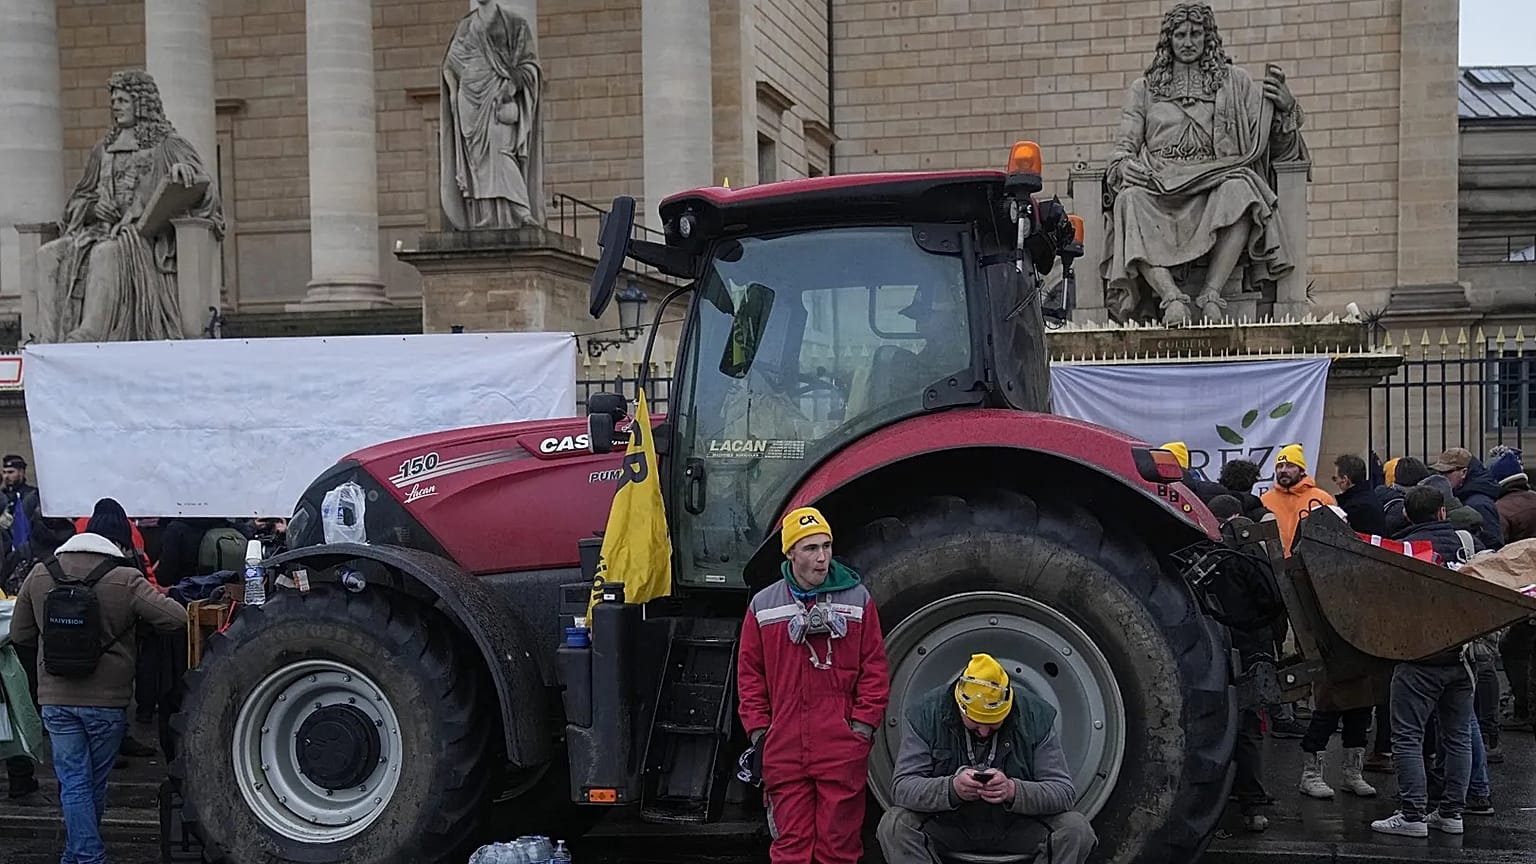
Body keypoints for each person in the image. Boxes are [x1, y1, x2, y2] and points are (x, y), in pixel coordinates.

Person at [6, 497, 188, 864]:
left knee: (72, 781)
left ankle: (78, 853)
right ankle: (88, 855)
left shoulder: (41, 573)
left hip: (55, 698)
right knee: (93, 782)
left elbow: (20, 633)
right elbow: (176, 619)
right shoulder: (126, 578)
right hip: (107, 701)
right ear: (118, 542)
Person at [736, 506, 890, 864]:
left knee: (839, 849)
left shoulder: (857, 600)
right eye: (810, 549)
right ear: (789, 553)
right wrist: (761, 734)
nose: (822, 559)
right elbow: (750, 676)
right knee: (791, 849)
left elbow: (875, 670)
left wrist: (861, 729)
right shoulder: (764, 606)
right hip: (784, 747)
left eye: (827, 546)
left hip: (840, 745)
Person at [877, 653, 1097, 862]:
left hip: (1016, 824)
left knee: (1075, 829)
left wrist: (1012, 790)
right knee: (895, 825)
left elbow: (1063, 793)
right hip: (948, 822)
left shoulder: (1035, 715)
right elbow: (903, 788)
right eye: (975, 722)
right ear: (960, 706)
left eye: (993, 723)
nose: (983, 731)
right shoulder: (926, 713)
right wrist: (951, 789)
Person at [1370, 487, 1478, 838]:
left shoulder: (1404, 551)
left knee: (1407, 737)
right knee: (1458, 737)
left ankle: (1413, 814)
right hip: (1461, 655)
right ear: (1443, 513)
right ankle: (1451, 814)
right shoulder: (1466, 544)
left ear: (1406, 516)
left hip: (1419, 657)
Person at [1260, 444, 1335, 555]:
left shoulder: (1322, 499)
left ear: (1301, 471)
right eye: (1280, 466)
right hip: (1273, 567)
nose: (1283, 470)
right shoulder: (1265, 500)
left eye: (1290, 466)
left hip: (1309, 566)